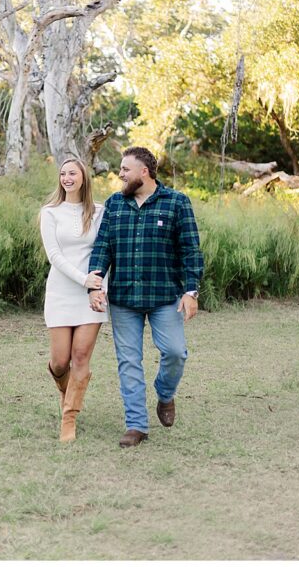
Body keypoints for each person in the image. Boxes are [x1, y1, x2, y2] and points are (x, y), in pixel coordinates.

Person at [87, 146, 203, 449]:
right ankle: (136, 425)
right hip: (124, 298)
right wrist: (95, 284)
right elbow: (103, 247)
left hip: (165, 295)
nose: (120, 174)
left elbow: (190, 250)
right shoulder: (115, 204)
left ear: (144, 172)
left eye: (125, 169)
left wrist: (191, 292)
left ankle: (165, 394)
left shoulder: (176, 203)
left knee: (176, 352)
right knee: (129, 361)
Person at [38, 157, 106, 442]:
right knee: (59, 362)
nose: (67, 178)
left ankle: (69, 418)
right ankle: (69, 394)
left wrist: (97, 287)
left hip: (92, 297)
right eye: (63, 173)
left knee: (80, 357)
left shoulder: (99, 212)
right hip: (61, 293)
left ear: (83, 177)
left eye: (73, 173)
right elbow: (54, 256)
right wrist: (83, 280)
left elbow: (105, 251)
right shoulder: (50, 212)